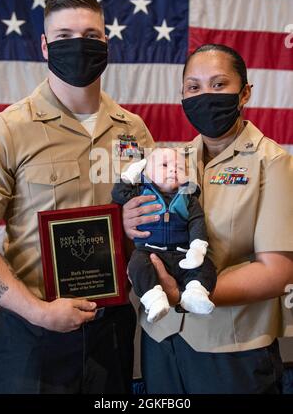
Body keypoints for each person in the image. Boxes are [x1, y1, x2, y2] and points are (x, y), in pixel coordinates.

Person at [0, 0, 154, 394]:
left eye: (90, 36)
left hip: (112, 328)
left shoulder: (133, 130)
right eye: (63, 36)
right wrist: (38, 312)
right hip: (33, 333)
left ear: (105, 45)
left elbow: (156, 219)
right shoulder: (8, 130)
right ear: (45, 46)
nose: (78, 45)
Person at [122, 44, 293, 394]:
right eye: (194, 87)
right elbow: (149, 237)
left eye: (219, 85)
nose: (205, 96)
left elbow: (278, 273)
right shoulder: (170, 162)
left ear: (244, 93)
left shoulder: (272, 163)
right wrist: (131, 222)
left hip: (232, 352)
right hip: (161, 339)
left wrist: (181, 292)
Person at [112, 147, 216, 323]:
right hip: (149, 251)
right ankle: (153, 298)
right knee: (137, 266)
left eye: (180, 168)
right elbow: (119, 195)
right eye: (165, 165)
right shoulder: (141, 192)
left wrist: (198, 247)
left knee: (206, 266)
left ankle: (196, 292)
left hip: (183, 253)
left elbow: (197, 222)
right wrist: (130, 175)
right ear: (148, 173)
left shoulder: (188, 198)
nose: (174, 170)